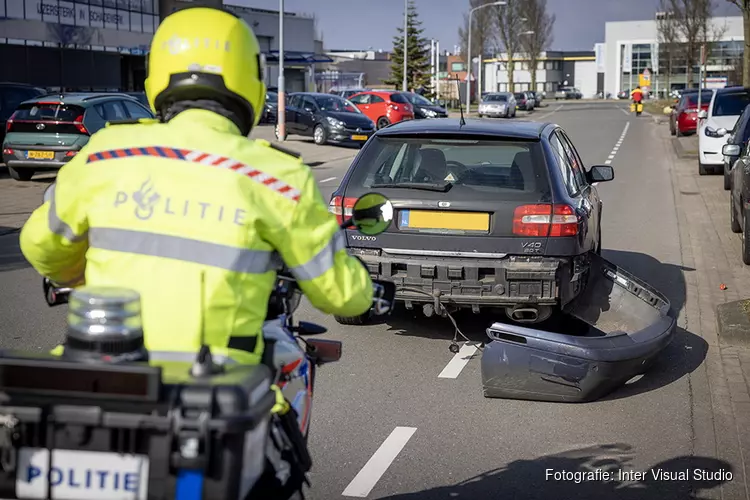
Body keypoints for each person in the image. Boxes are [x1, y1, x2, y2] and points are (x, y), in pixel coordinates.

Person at [19, 7, 377, 495]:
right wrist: (364, 290)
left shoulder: (104, 154)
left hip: (104, 389)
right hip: (215, 404)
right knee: (279, 473)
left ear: (156, 76)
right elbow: (342, 295)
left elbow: (39, 245)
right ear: (250, 82)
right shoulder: (278, 178)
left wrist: (77, 272)